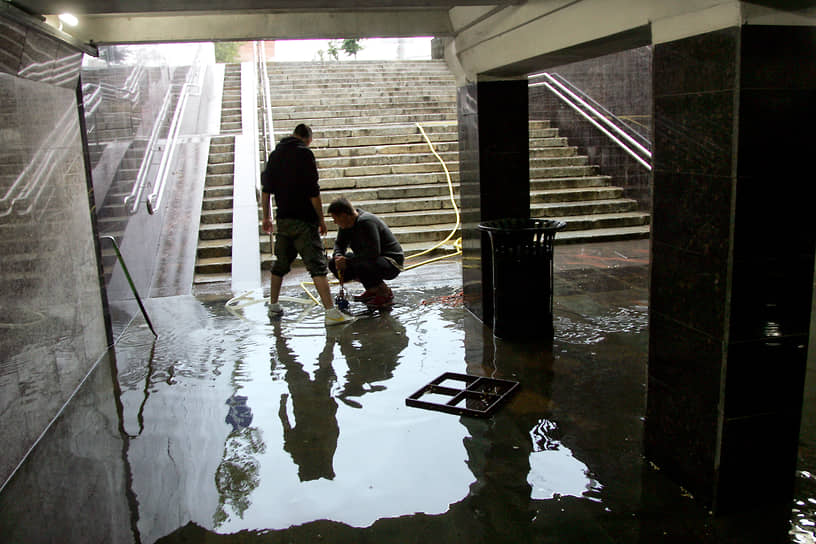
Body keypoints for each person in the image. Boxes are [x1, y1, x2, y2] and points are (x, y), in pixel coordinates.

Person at [261, 124, 354, 325]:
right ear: (307, 139)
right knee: (317, 266)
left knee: (281, 263)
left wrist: (266, 217)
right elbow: (313, 191)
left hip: (283, 220)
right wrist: (321, 219)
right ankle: (331, 313)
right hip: (304, 221)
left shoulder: (275, 155)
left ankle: (273, 305)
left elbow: (266, 190)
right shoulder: (305, 154)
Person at [327, 197, 404, 307]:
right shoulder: (345, 225)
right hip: (367, 259)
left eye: (335, 218)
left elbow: (373, 252)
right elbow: (339, 244)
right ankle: (372, 290)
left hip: (390, 262)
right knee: (333, 263)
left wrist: (348, 261)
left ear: (344, 215)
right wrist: (338, 257)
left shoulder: (366, 222)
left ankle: (383, 292)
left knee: (361, 264)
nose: (334, 222)